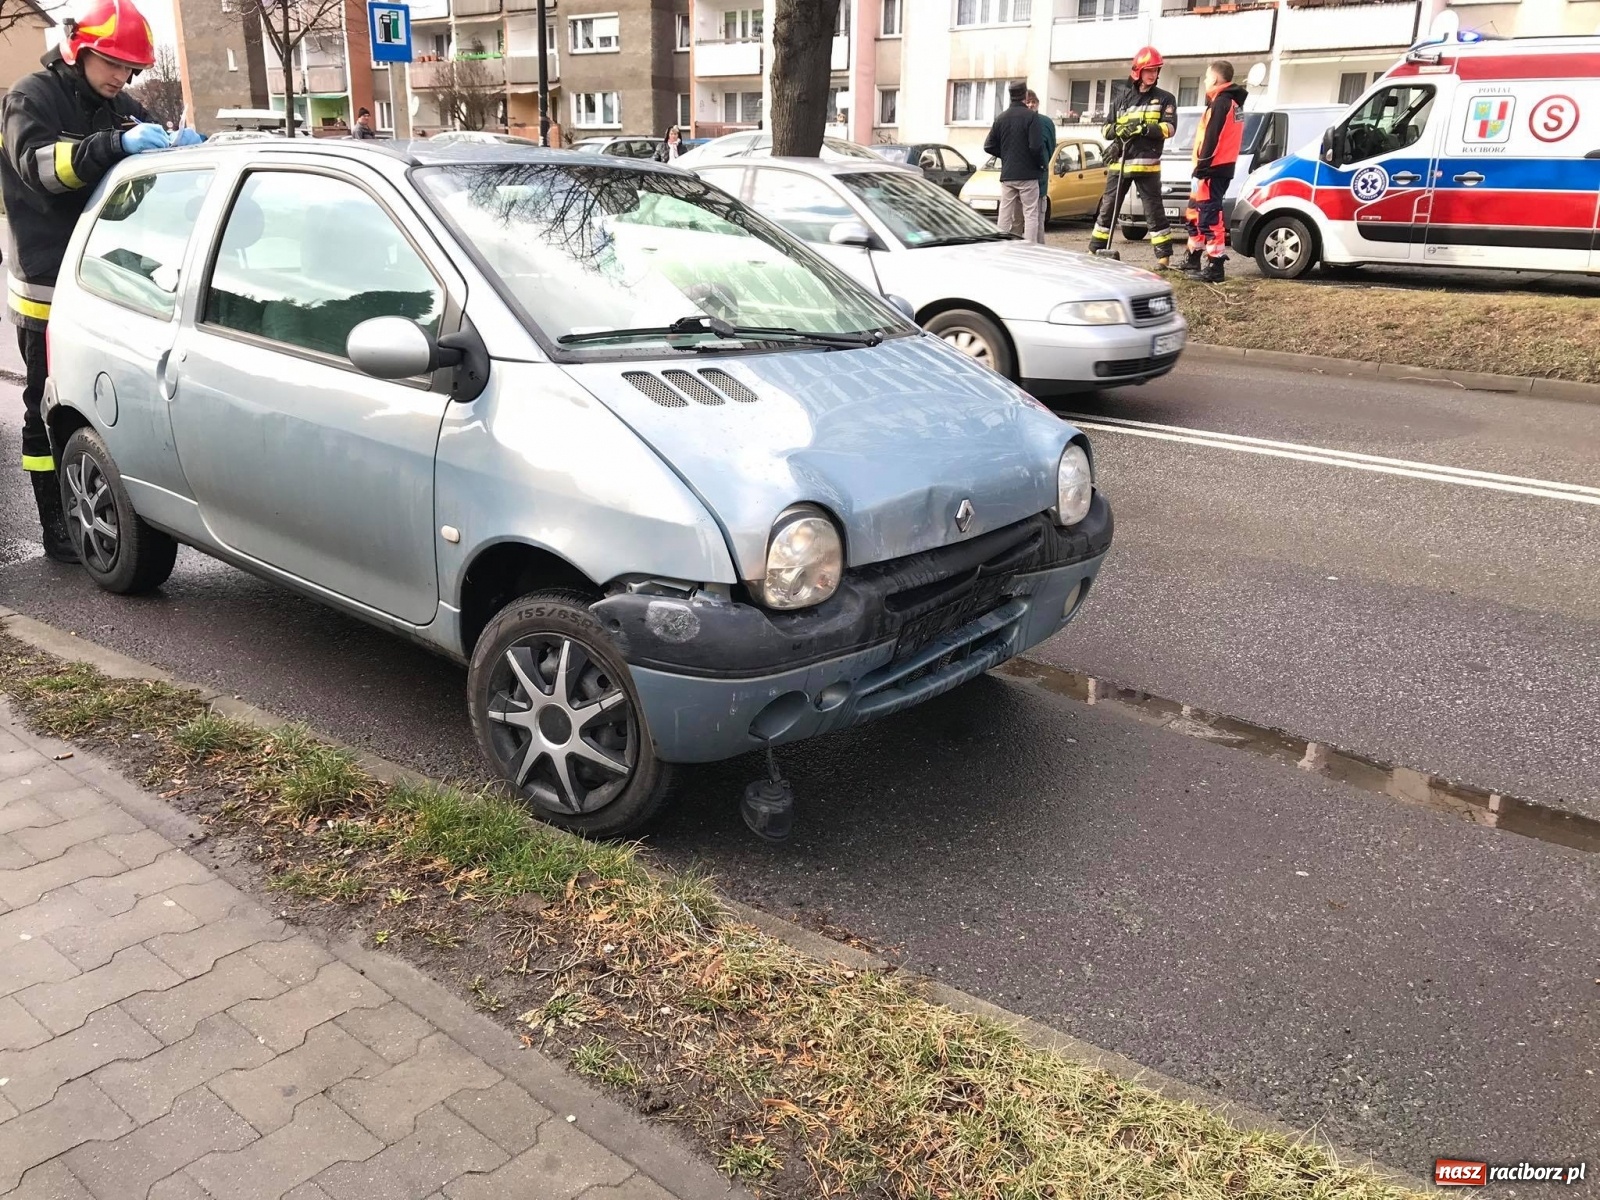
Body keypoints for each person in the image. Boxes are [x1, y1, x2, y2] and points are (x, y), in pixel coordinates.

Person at [0, 0, 193, 563]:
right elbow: (41, 168)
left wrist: (177, 154)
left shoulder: (119, 105)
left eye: (129, 69)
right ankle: (55, 521)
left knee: (100, 400)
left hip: (105, 276)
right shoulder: (31, 97)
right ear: (78, 49)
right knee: (44, 403)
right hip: (46, 281)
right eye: (112, 63)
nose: (121, 77)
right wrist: (115, 146)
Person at [1090, 47, 1177, 268]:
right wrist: (1119, 132)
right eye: (1148, 70)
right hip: (1120, 163)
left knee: (1154, 210)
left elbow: (1169, 128)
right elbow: (1106, 129)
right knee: (1108, 208)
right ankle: (1094, 250)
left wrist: (1143, 128)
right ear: (1138, 71)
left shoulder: (1165, 98)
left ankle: (1163, 257)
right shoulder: (1122, 98)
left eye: (1156, 70)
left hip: (1147, 165)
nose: (1152, 74)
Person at [1181, 60, 1247, 282]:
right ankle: (1193, 256)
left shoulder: (1221, 104)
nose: (1205, 80)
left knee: (1208, 216)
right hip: (1212, 169)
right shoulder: (1229, 104)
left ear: (1216, 79)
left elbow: (1212, 138)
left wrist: (1202, 168)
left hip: (1211, 170)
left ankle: (1215, 265)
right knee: (1194, 213)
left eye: (1207, 77)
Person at [983, 81, 1045, 243]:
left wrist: (1006, 155)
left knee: (1004, 212)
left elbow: (988, 146)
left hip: (1008, 174)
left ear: (1010, 96)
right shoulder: (1032, 117)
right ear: (1025, 96)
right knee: (1030, 213)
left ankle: (1000, 245)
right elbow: (1036, 147)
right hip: (1028, 174)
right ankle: (1030, 246)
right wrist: (1041, 165)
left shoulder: (1001, 118)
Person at [1025, 89, 1055, 243]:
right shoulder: (1021, 121)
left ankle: (1037, 253)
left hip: (1039, 179)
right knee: (1026, 221)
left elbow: (1051, 147)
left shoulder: (1045, 122)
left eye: (1033, 102)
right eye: (1028, 102)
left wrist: (1043, 164)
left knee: (1037, 223)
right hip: (1025, 177)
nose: (1031, 105)